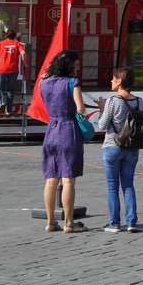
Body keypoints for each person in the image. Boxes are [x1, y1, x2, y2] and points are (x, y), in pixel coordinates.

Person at [39, 50, 87, 233]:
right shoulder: (72, 83)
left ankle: (51, 222)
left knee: (51, 180)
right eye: (76, 65)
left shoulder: (44, 82)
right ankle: (69, 222)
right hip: (68, 130)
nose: (78, 68)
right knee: (68, 180)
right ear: (69, 66)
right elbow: (81, 109)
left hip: (51, 130)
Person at [96, 66, 142, 233]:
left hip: (112, 146)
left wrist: (102, 109)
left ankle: (115, 223)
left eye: (113, 79)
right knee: (128, 185)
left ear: (120, 82)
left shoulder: (112, 101)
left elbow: (102, 125)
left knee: (112, 186)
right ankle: (131, 222)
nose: (111, 81)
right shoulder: (138, 101)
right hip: (131, 147)